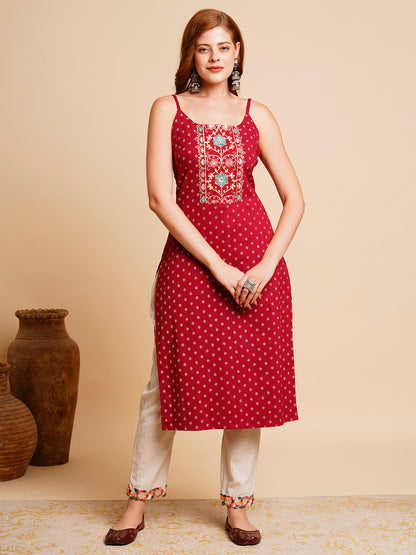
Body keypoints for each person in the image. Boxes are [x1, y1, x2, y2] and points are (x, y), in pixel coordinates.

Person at [104, 8, 305, 548]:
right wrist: (218, 266)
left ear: (237, 52)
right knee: (163, 383)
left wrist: (264, 267)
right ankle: (137, 500)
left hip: (256, 269)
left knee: (248, 387)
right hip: (192, 267)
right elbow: (159, 198)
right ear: (190, 55)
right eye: (203, 48)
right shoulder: (166, 109)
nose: (215, 57)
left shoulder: (257, 114)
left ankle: (239, 506)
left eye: (224, 47)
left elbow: (295, 199)